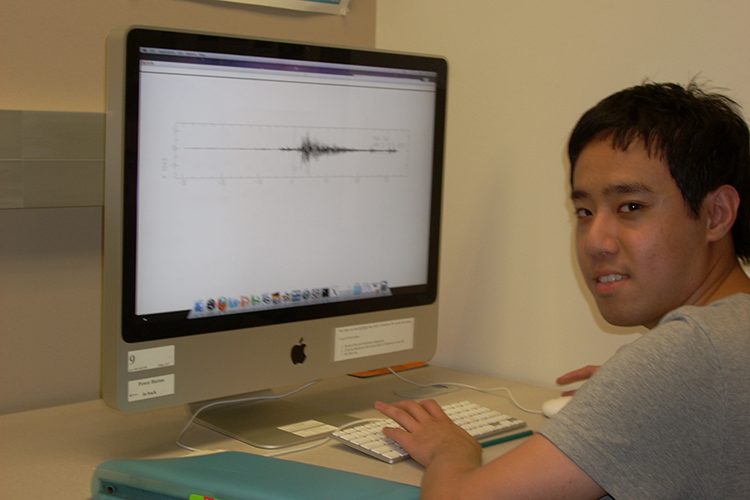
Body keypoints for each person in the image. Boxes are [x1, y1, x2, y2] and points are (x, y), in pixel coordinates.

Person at [375, 81, 750, 499]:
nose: (595, 240)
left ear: (717, 214)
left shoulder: (690, 354)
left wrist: (451, 450)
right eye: (585, 211)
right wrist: (638, 391)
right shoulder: (728, 335)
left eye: (631, 207)